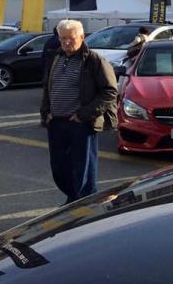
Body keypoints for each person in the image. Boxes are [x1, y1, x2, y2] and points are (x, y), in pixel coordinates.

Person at [40, 20, 118, 205]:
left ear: (82, 37)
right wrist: (46, 112)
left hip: (80, 123)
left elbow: (110, 92)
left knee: (83, 170)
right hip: (56, 122)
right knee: (59, 169)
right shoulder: (55, 57)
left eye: (71, 38)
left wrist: (84, 115)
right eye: (63, 38)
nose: (67, 42)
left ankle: (81, 206)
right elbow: (47, 87)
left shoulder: (94, 60)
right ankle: (76, 199)